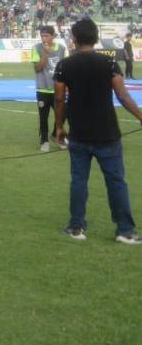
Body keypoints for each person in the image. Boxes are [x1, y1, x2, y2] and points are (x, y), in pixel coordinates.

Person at [54, 18, 141, 244]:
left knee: (79, 181)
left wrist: (59, 126)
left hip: (79, 134)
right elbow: (123, 96)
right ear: (96, 38)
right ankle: (125, 231)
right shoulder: (109, 63)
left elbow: (59, 98)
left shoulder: (65, 65)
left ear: (74, 39)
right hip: (108, 133)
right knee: (116, 182)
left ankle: (76, 227)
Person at [31, 25, 66, 152]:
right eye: (42, 35)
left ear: (53, 36)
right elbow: (38, 68)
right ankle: (44, 140)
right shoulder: (36, 48)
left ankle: (56, 135)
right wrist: (45, 54)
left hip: (59, 89)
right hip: (43, 89)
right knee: (43, 117)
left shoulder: (61, 49)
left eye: (46, 35)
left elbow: (65, 69)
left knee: (62, 115)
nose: (44, 38)